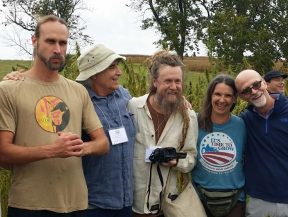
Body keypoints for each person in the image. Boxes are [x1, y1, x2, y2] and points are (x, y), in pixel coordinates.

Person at [0, 15, 109, 217]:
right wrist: (53, 150)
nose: (58, 49)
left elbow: (102, 143)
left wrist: (82, 147)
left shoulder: (78, 91)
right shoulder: (8, 90)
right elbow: (3, 152)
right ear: (34, 41)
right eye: (50, 41)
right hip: (29, 205)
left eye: (63, 43)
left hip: (76, 203)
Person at [128, 50, 198, 217]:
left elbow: (191, 159)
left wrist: (175, 162)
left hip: (165, 207)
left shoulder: (188, 117)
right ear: (155, 82)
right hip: (131, 204)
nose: (174, 87)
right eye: (168, 81)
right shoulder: (133, 107)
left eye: (177, 81)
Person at [75, 44, 136, 217]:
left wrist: (179, 103)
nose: (119, 72)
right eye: (111, 67)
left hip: (125, 201)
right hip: (93, 205)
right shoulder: (78, 100)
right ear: (94, 74)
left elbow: (148, 106)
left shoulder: (123, 95)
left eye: (117, 66)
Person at [235, 69, 288, 217]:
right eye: (246, 90)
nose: (253, 91)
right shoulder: (244, 120)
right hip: (259, 201)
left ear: (264, 83)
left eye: (256, 84)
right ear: (242, 97)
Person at [192, 74, 246, 217]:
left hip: (235, 200)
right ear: (210, 96)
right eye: (217, 94)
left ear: (234, 99)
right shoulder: (194, 121)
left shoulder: (242, 125)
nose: (222, 100)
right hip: (200, 198)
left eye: (228, 95)